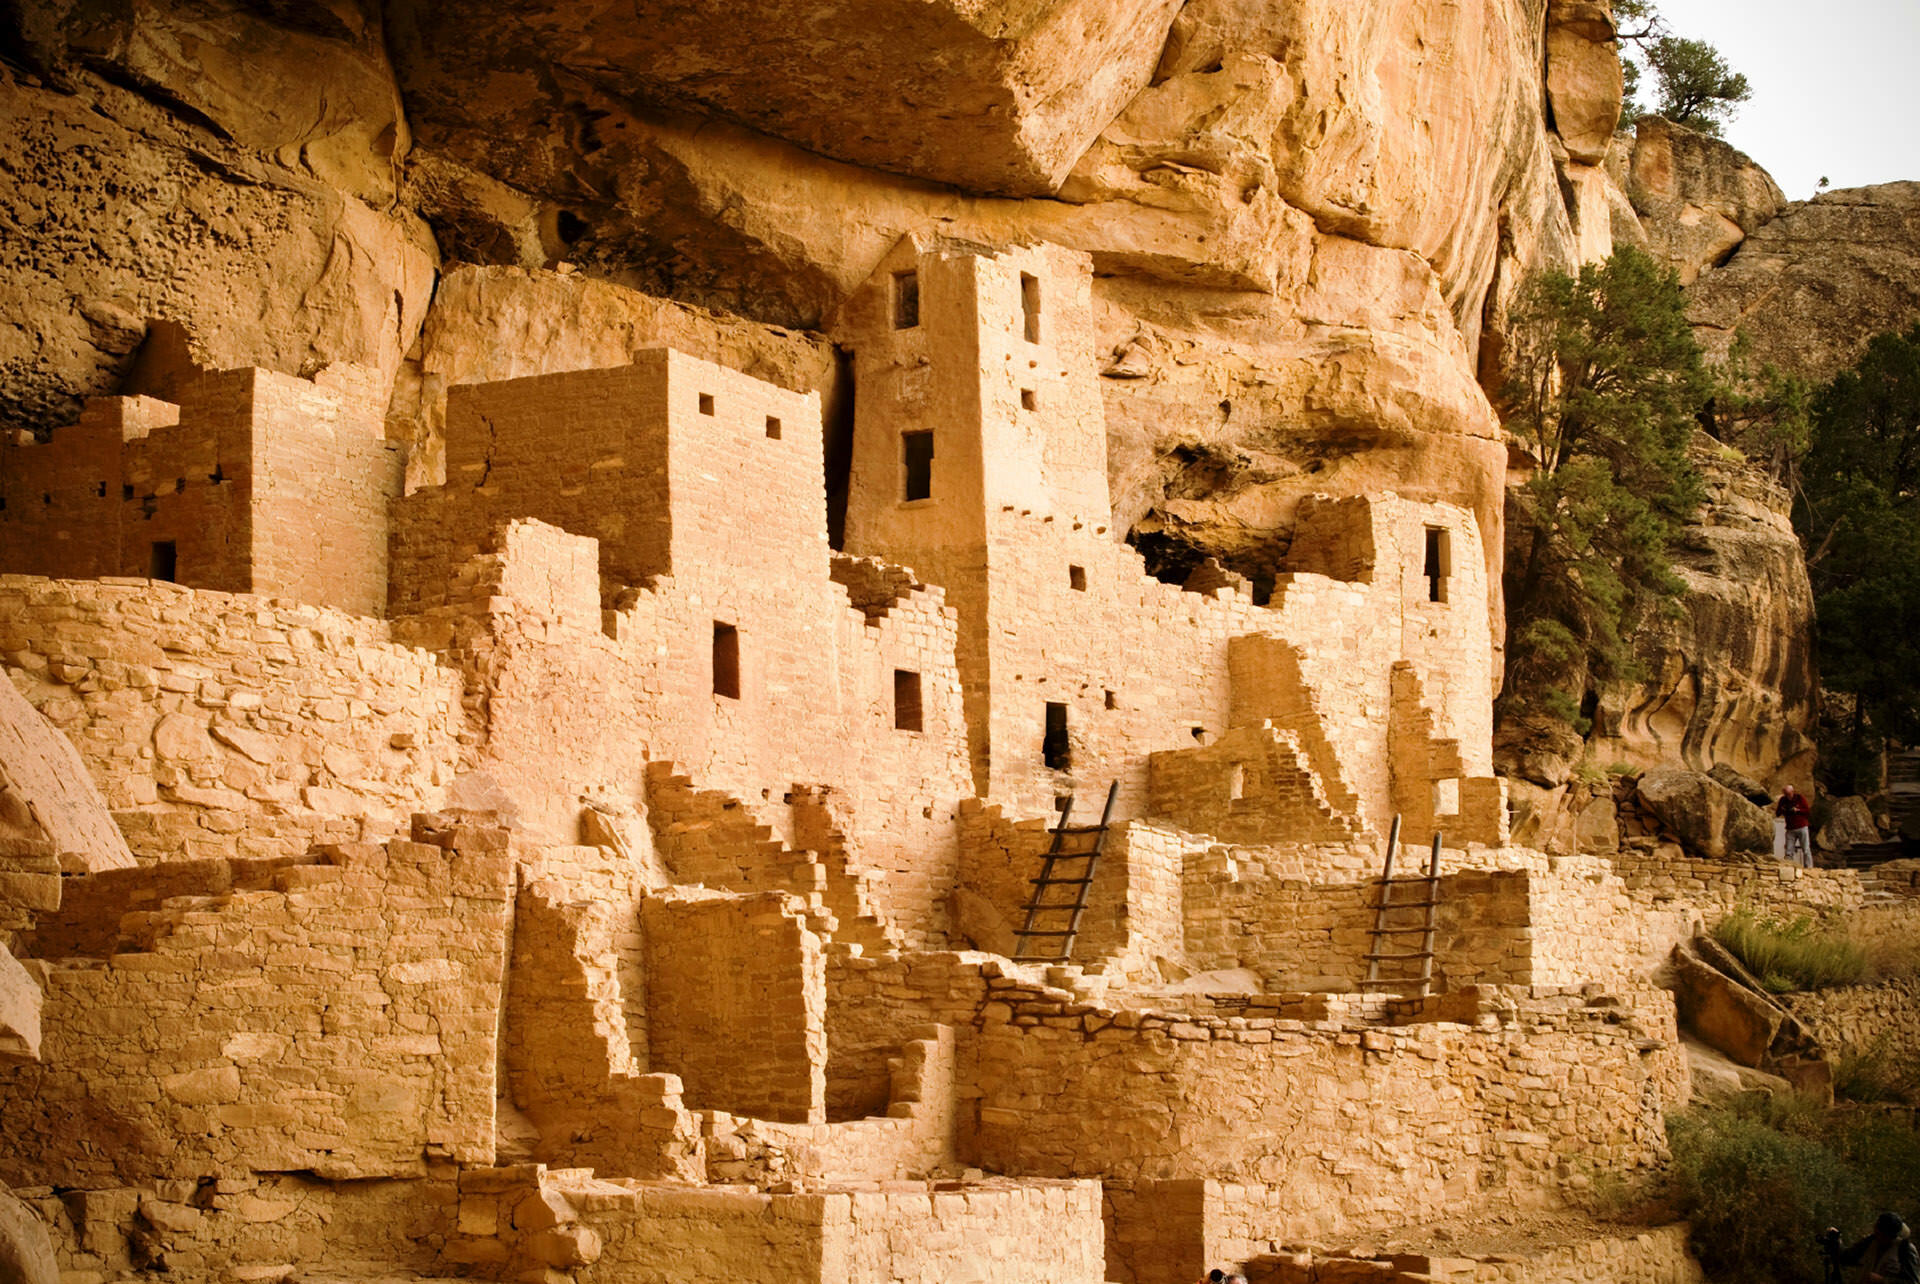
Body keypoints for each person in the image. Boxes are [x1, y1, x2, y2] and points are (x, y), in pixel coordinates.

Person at [1839, 1211, 1920, 1284]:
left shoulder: (1905, 1249)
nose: (1878, 1236)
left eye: (1884, 1235)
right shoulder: (1869, 1242)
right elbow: (1846, 1258)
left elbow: (1912, 1282)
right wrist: (1836, 1243)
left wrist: (1882, 1280)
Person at [1776, 783, 1814, 868]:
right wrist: (1783, 809)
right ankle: (1788, 867)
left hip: (1802, 826)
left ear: (1793, 792)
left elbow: (1807, 811)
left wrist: (1797, 810)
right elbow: (1777, 813)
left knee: (1806, 849)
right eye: (1786, 794)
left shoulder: (1800, 798)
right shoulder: (1783, 800)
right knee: (1789, 851)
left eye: (1789, 794)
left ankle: (1809, 868)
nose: (1788, 796)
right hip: (1790, 828)